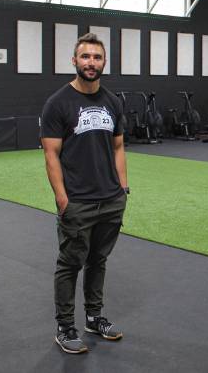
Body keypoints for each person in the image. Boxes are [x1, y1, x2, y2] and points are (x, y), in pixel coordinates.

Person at [41, 33, 128, 354]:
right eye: (86, 57)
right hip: (77, 201)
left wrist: (123, 187)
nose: (91, 62)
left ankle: (94, 316)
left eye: (97, 57)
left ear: (104, 62)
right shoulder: (58, 103)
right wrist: (62, 199)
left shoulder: (112, 101)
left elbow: (119, 146)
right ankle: (65, 327)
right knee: (70, 264)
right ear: (74, 61)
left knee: (98, 260)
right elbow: (51, 155)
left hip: (111, 199)